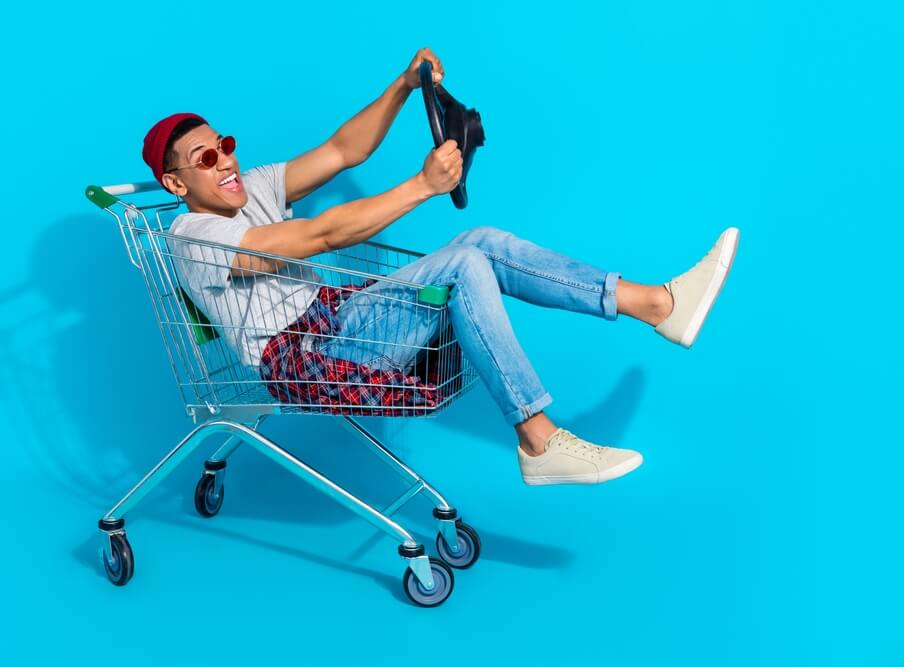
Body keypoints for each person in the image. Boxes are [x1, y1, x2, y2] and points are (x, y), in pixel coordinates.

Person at [141, 48, 740, 486]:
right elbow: (318, 233)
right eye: (205, 158)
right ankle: (538, 437)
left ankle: (656, 304)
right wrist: (422, 187)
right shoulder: (194, 235)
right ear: (174, 182)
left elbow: (344, 149)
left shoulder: (253, 186)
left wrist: (403, 86)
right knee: (461, 264)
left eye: (227, 145)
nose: (226, 161)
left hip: (337, 321)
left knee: (478, 240)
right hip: (303, 357)